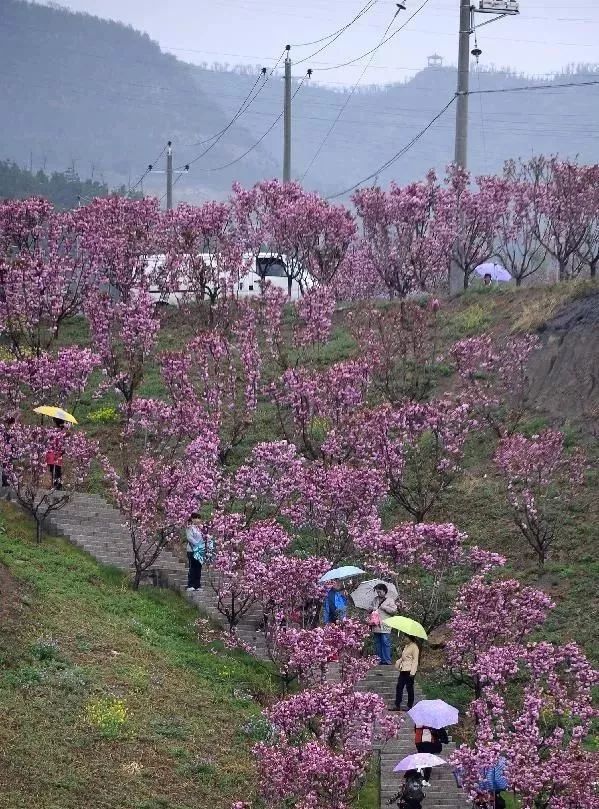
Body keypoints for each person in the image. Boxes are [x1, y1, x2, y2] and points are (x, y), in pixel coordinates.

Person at [369, 583, 397, 665]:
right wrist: (372, 609)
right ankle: (379, 660)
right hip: (376, 624)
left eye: (380, 592)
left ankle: (387, 660)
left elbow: (394, 611)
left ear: (384, 591)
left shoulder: (390, 600)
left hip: (385, 624)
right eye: (377, 592)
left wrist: (385, 608)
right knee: (377, 642)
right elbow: (369, 609)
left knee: (385, 642)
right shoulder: (375, 600)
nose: (378, 593)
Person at [392, 634, 420, 711]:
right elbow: (404, 657)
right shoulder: (406, 646)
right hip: (403, 669)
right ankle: (397, 705)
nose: (405, 639)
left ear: (410, 637)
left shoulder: (414, 647)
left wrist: (413, 672)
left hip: (409, 670)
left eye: (406, 637)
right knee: (399, 687)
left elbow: (415, 660)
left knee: (409, 688)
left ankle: (409, 705)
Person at [186, 513, 209, 591]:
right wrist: (197, 544)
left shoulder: (200, 529)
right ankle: (190, 585)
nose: (198, 520)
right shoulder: (190, 527)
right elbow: (190, 538)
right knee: (193, 567)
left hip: (200, 551)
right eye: (196, 518)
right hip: (192, 550)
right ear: (192, 519)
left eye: (199, 518)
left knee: (198, 567)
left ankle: (197, 585)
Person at [46, 417, 65, 490]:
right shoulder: (61, 432)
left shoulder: (58, 432)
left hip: (54, 453)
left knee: (55, 470)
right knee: (56, 470)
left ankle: (56, 485)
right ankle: (57, 484)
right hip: (55, 453)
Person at [1, 416, 15, 489]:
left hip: (10, 452)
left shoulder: (11, 431)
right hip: (5, 451)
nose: (12, 426)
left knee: (8, 466)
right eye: (12, 424)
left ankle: (6, 481)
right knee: (5, 466)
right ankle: (4, 481)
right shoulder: (4, 431)